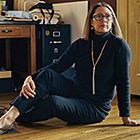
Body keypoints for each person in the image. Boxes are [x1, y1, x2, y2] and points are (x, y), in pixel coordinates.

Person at [0, 2, 140, 133]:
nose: (103, 19)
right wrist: (30, 78)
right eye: (98, 16)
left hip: (94, 107)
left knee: (53, 102)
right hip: (75, 91)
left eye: (108, 16)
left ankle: (14, 117)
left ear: (112, 21)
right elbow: (57, 66)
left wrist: (125, 116)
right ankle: (9, 116)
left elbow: (123, 82)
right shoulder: (81, 44)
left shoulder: (120, 46)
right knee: (47, 75)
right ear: (91, 22)